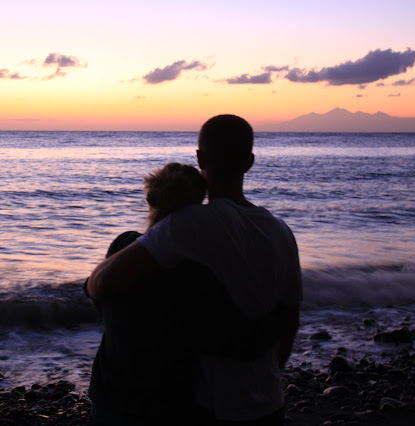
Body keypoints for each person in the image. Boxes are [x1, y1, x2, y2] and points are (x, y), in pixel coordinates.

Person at [87, 115, 302, 425]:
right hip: (269, 401)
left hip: (211, 406)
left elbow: (105, 281)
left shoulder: (190, 225)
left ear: (200, 158)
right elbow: (290, 320)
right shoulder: (282, 232)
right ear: (250, 162)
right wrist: (270, 372)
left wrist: (92, 284)